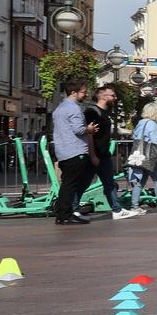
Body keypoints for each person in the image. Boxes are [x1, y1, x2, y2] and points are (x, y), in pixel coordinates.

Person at [82, 85, 137, 219]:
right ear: (103, 96)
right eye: (112, 95)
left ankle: (117, 210)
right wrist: (93, 155)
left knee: (109, 183)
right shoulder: (92, 112)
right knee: (83, 183)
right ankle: (71, 208)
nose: (115, 98)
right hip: (95, 155)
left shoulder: (106, 112)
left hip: (103, 155)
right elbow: (89, 134)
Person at [50, 78, 96, 225]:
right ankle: (65, 214)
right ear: (74, 93)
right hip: (75, 150)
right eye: (83, 92)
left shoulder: (60, 108)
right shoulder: (74, 108)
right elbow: (78, 130)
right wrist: (89, 129)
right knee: (71, 185)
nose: (86, 94)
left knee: (67, 184)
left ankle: (63, 214)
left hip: (63, 150)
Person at [128, 102, 157, 213]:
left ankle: (134, 207)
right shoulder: (152, 124)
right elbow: (155, 141)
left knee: (139, 182)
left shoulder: (140, 123)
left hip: (139, 156)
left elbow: (135, 136)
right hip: (150, 156)